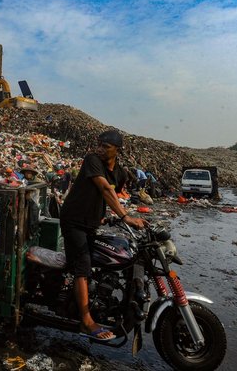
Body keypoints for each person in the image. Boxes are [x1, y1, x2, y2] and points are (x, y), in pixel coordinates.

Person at [60, 130, 148, 341]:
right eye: (99, 144)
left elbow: (111, 196)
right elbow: (105, 189)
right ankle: (86, 320)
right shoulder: (92, 160)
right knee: (83, 264)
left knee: (105, 256)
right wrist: (126, 217)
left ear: (117, 150)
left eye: (105, 146)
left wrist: (106, 216)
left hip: (90, 223)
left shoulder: (120, 173)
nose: (100, 148)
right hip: (73, 220)